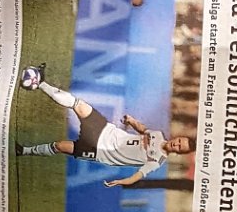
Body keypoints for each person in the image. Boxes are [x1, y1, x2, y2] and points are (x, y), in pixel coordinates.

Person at [14, 64, 194, 185]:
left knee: (60, 146)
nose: (176, 144)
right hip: (105, 131)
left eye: (180, 148)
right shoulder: (159, 135)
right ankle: (40, 83)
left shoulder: (157, 160)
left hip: (100, 151)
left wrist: (121, 182)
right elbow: (144, 130)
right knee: (79, 104)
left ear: (178, 153)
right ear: (178, 138)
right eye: (179, 141)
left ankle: (23, 151)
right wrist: (132, 121)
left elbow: (137, 176)